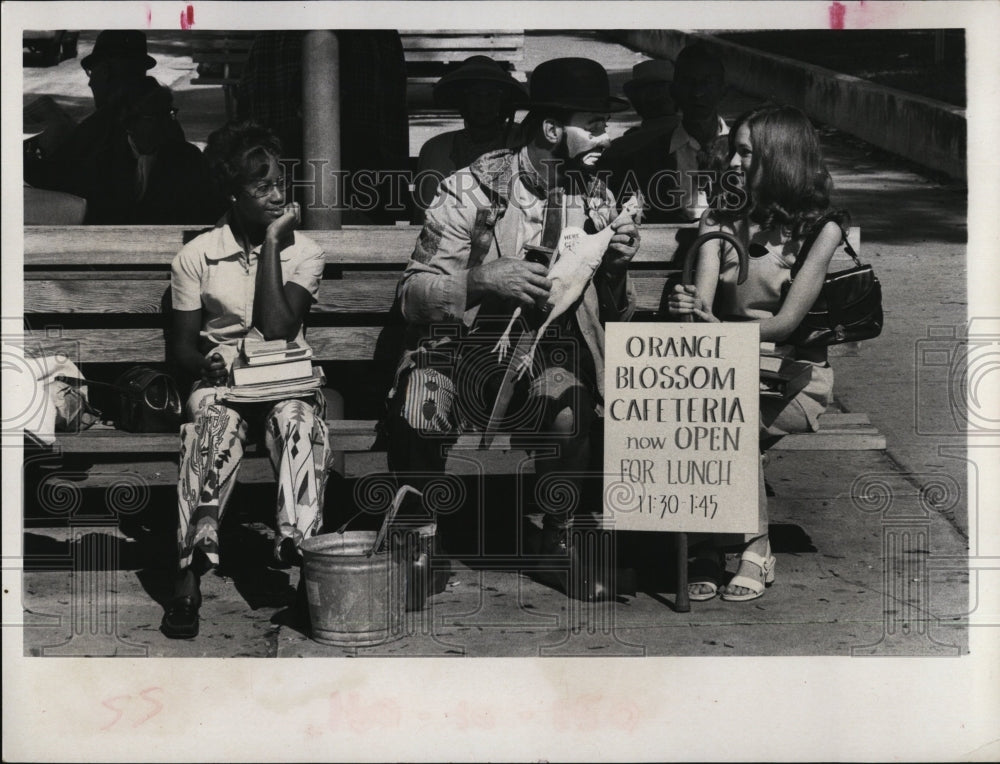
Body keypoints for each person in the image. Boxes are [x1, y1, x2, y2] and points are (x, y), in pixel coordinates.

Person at [384, 57, 641, 601]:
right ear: (552, 129)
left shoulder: (596, 198)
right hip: (458, 355)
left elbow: (614, 313)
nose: (605, 135)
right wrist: (479, 280)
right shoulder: (469, 190)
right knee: (420, 400)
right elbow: (412, 295)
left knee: (571, 404)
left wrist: (615, 268)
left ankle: (556, 544)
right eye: (593, 123)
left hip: (544, 358)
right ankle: (419, 546)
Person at [161, 122, 336, 639]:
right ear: (232, 192)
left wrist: (273, 244)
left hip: (286, 382)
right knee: (210, 426)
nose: (278, 195)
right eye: (262, 187)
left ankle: (302, 557)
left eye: (281, 183)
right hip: (226, 386)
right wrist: (203, 365)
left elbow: (277, 326)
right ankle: (189, 573)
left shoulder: (304, 252)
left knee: (301, 425)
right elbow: (182, 346)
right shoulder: (196, 256)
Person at [667, 105, 846, 602]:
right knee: (707, 414)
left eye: (747, 153)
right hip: (727, 368)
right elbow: (700, 305)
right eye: (735, 153)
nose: (734, 164)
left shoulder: (821, 230)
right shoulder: (720, 218)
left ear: (780, 157)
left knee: (729, 423)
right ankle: (711, 542)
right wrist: (691, 308)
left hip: (795, 374)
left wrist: (720, 330)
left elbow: (787, 323)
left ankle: (752, 544)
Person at [236, 30, 409, 223]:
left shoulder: (374, 36)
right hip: (284, 169)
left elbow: (390, 124)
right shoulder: (275, 37)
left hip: (361, 171)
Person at [598, 44, 727, 223]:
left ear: (723, 90)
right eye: (688, 83)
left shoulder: (745, 150)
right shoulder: (647, 157)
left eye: (707, 82)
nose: (698, 93)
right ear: (674, 91)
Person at [412, 55, 527, 222]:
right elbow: (426, 215)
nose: (483, 104)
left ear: (502, 102)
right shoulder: (436, 150)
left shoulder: (518, 144)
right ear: (462, 102)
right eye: (474, 96)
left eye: (490, 96)